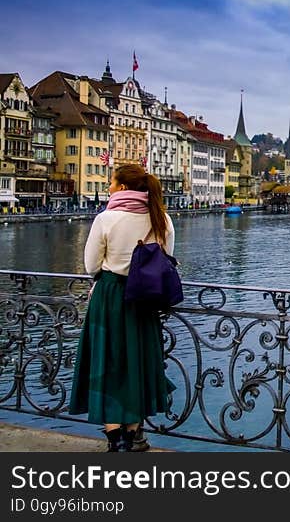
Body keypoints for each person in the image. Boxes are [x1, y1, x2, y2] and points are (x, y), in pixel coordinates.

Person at [69, 164, 176, 452]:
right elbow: (167, 260)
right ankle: (133, 435)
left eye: (112, 183)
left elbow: (91, 265)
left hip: (111, 297)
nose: (109, 188)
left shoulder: (107, 218)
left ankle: (114, 438)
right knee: (136, 363)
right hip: (145, 299)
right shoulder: (161, 218)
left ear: (124, 188)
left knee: (107, 362)